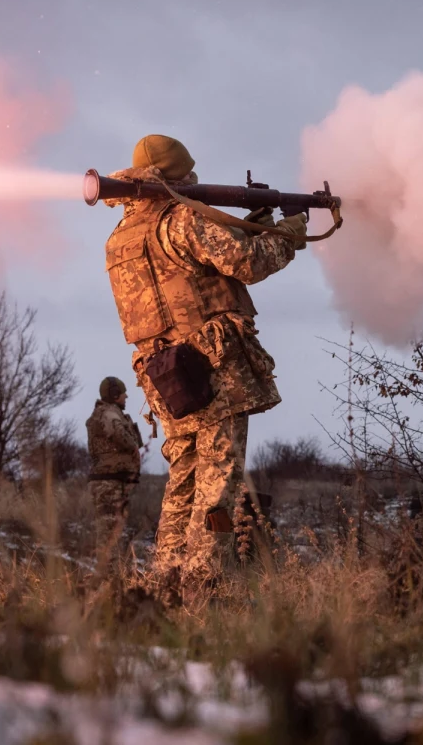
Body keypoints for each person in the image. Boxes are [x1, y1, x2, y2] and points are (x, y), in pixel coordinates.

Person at [101, 134, 306, 606]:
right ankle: (204, 584)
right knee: (220, 478)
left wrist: (251, 226)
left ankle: (166, 580)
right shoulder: (182, 219)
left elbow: (192, 271)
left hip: (162, 373)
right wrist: (290, 232)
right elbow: (248, 263)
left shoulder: (120, 238)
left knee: (184, 476)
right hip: (212, 366)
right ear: (178, 175)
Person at [86, 376, 143, 547]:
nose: (126, 396)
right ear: (115, 394)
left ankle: (111, 565)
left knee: (111, 534)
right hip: (108, 483)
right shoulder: (109, 413)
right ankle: (108, 566)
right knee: (109, 535)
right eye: (123, 393)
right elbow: (123, 438)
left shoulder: (106, 413)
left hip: (111, 481)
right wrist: (132, 439)